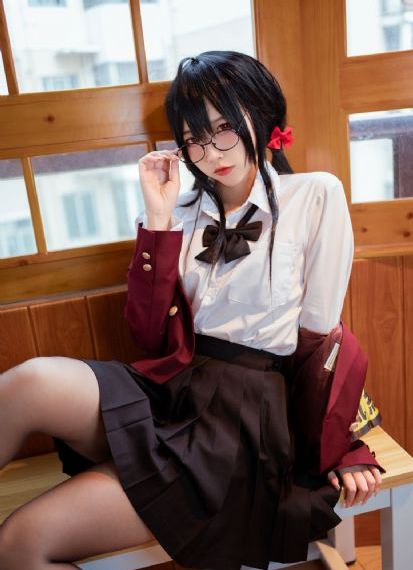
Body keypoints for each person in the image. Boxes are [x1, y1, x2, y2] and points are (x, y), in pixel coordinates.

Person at [0, 51, 384, 570]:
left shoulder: (314, 196)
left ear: (261, 113)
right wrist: (158, 220)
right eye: (194, 138)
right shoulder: (179, 211)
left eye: (224, 128)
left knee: (17, 544)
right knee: (29, 382)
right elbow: (148, 334)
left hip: (237, 425)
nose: (211, 152)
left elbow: (321, 345)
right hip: (169, 388)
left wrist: (344, 447)